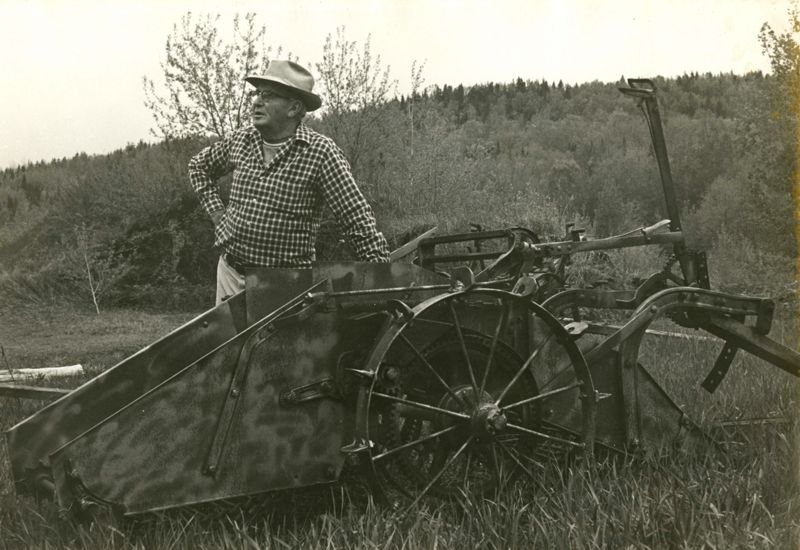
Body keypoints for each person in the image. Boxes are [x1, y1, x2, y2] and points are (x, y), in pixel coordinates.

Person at [189, 60, 390, 304]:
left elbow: (357, 219)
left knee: (272, 344)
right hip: (230, 275)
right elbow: (198, 167)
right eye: (257, 93)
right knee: (227, 343)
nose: (257, 101)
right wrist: (218, 215)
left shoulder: (321, 153)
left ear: (294, 108)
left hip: (284, 286)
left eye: (269, 95)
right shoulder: (241, 140)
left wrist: (383, 277)